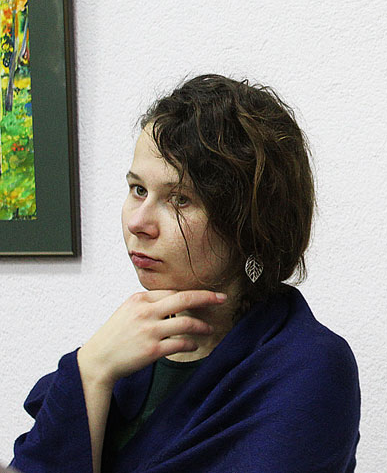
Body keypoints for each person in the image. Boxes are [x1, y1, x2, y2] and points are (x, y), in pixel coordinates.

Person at [9, 75, 360, 472]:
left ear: (250, 223)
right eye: (138, 190)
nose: (138, 223)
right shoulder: (122, 347)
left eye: (179, 200)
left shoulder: (308, 367)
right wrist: (91, 370)